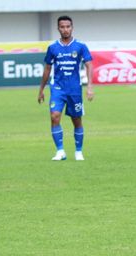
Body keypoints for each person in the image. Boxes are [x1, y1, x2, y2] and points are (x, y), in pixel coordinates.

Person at [38, 15, 94, 161]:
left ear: (72, 28)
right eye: (62, 27)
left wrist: (89, 86)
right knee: (54, 116)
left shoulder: (80, 46)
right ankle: (60, 151)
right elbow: (47, 69)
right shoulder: (53, 48)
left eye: (68, 26)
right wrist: (41, 90)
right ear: (58, 29)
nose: (65, 29)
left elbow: (89, 64)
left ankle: (78, 151)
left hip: (74, 89)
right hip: (57, 88)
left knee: (76, 120)